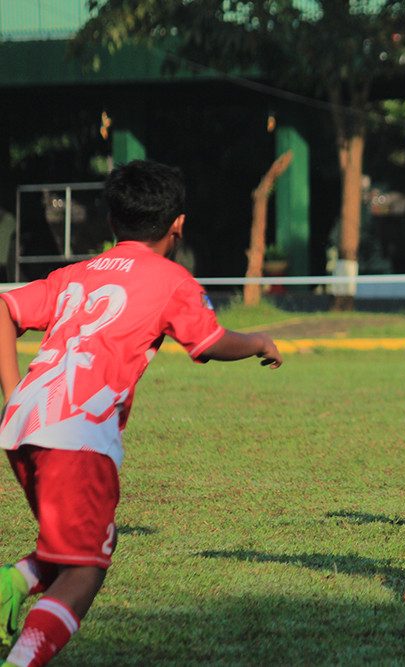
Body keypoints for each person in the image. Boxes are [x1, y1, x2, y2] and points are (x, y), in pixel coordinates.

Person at [0, 160, 283, 666]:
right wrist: (259, 339)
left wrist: (14, 388)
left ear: (111, 224)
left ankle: (11, 584)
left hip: (23, 423)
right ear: (178, 225)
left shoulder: (74, 274)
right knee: (86, 567)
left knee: (84, 539)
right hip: (77, 436)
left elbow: (5, 309)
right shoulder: (171, 280)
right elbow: (211, 341)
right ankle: (22, 661)